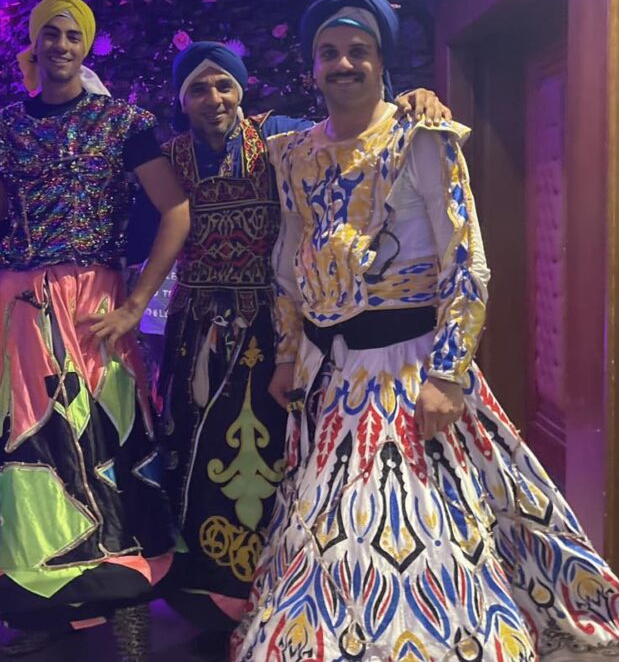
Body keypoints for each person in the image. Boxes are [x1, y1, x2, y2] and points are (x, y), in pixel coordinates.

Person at [234, 0, 619, 661]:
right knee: (323, 526)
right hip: (328, 377)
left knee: (411, 524)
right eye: (329, 53)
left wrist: (447, 375)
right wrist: (285, 354)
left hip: (409, 369)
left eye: (358, 50)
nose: (343, 64)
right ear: (313, 66)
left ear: (381, 60)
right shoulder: (292, 153)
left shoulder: (421, 137)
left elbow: (465, 262)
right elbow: (288, 260)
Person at [152, 41, 447, 660]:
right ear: (181, 99)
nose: (213, 99)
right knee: (189, 453)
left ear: (242, 89)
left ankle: (265, 594)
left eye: (224, 85)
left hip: (269, 328)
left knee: (270, 455)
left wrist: (411, 97)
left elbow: (349, 126)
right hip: (193, 327)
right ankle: (200, 600)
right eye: (198, 89)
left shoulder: (278, 138)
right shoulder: (170, 158)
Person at [0, 0, 191, 660]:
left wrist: (136, 304)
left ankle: (126, 610)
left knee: (105, 447)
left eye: (73, 36)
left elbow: (177, 211)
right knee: (28, 453)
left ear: (86, 46)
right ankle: (39, 605)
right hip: (18, 302)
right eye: (51, 34)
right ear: (35, 44)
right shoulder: (4, 128)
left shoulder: (123, 122)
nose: (61, 45)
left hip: (92, 303)